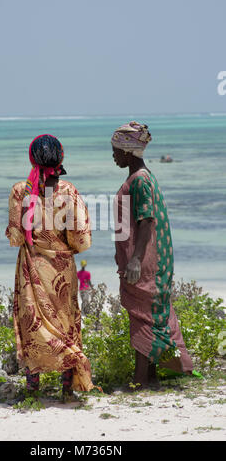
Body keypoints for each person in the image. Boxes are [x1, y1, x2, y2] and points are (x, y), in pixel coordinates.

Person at [5, 134, 95, 400]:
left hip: (31, 268)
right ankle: (67, 391)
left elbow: (16, 238)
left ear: (32, 158)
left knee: (33, 325)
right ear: (61, 158)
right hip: (62, 270)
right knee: (66, 325)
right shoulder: (68, 191)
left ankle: (33, 393)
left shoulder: (20, 191)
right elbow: (81, 239)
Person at [112, 121, 193, 391]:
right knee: (152, 314)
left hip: (145, 259)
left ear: (127, 152)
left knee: (143, 315)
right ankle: (153, 376)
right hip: (147, 256)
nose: (113, 155)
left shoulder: (140, 180)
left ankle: (141, 379)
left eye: (115, 150)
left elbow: (146, 221)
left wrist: (135, 259)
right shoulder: (141, 177)